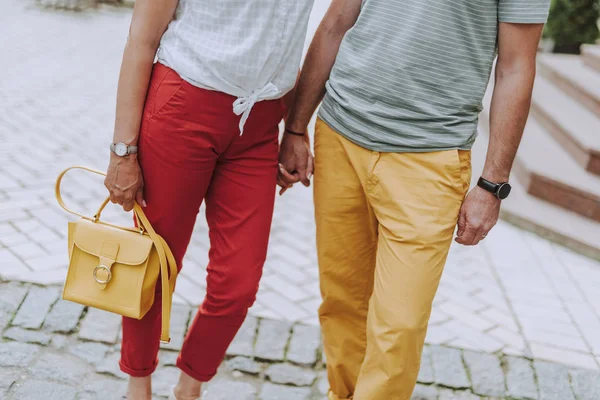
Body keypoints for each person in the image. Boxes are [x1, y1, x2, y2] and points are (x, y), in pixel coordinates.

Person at [279, 0, 550, 399]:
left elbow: (515, 66)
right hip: (340, 134)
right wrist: (296, 128)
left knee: (399, 326)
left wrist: (492, 184)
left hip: (430, 159)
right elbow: (338, 20)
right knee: (341, 301)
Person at [103, 1, 315, 399]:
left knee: (238, 284)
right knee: (155, 265)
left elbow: (290, 37)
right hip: (183, 108)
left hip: (260, 123)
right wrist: (122, 151)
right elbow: (142, 38)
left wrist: (295, 129)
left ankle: (190, 386)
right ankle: (138, 385)